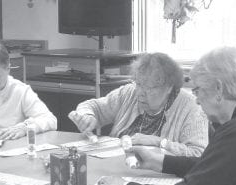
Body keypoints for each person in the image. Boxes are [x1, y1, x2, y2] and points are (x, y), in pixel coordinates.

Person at [97, 46, 236, 185]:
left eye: (198, 90)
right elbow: (215, 168)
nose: (197, 99)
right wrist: (161, 162)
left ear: (218, 89)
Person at [69, 53, 208, 157]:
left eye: (150, 87)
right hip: (118, 168)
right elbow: (93, 106)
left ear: (169, 87)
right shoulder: (129, 92)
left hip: (159, 179)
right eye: (139, 84)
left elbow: (198, 154)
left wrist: (159, 142)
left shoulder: (191, 107)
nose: (140, 92)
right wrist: (88, 116)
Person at [0, 42, 57, 140]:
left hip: (11, 146)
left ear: (8, 69)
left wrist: (25, 128)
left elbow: (50, 120)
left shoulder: (21, 91)